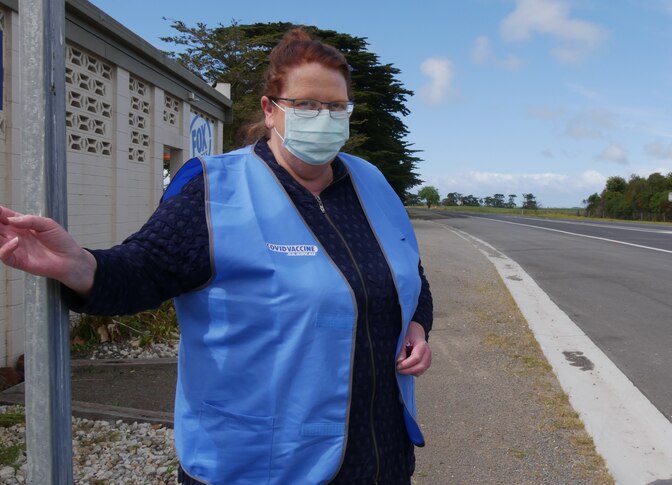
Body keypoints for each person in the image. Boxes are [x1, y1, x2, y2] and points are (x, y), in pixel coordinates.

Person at [0, 28, 432, 485]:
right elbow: (144, 270)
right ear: (270, 110)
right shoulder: (214, 190)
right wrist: (81, 265)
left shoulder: (372, 183)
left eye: (335, 106)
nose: (322, 117)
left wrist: (417, 325)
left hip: (378, 451)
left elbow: (410, 274)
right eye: (306, 105)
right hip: (262, 463)